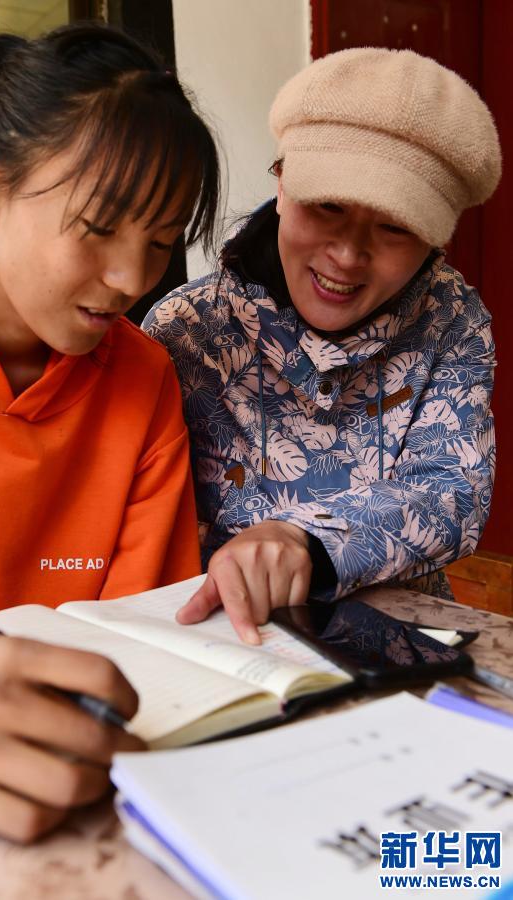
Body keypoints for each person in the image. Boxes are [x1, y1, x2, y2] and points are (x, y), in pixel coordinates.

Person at [0, 23, 219, 841]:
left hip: (74, 779)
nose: (132, 280)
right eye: (98, 227)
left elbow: (143, 634)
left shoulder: (141, 376)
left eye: (161, 243)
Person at [143, 48, 501, 645]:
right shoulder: (185, 329)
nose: (347, 255)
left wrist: (307, 540)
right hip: (223, 638)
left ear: (434, 239)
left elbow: (451, 491)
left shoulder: (451, 318)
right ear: (282, 182)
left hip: (397, 637)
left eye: (395, 226)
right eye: (328, 206)